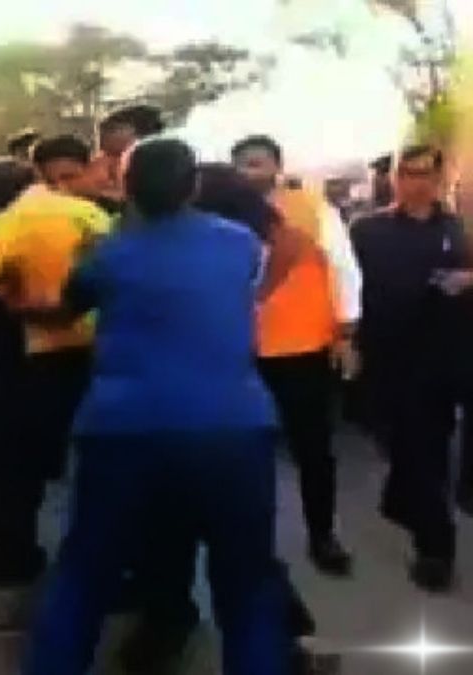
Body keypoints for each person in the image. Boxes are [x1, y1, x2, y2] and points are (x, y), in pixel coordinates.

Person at [24, 139, 287, 675]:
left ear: (126, 188)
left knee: (86, 569)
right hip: (232, 427)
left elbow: (66, 309)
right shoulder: (239, 243)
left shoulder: (108, 252)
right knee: (247, 578)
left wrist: (17, 302)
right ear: (193, 186)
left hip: (124, 428)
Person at [0, 136, 112, 627]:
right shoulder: (106, 219)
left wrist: (3, 299)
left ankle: (20, 565)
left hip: (45, 364)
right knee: (62, 470)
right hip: (81, 364)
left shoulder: (15, 223)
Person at [232, 135, 362, 576]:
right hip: (242, 350)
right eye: (243, 165)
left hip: (304, 347)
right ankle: (252, 543)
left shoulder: (310, 208)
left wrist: (345, 332)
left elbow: (343, 268)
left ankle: (322, 535)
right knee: (248, 451)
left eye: (258, 163)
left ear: (277, 166)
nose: (251, 172)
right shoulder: (221, 215)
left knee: (314, 449)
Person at [351, 145, 472, 592]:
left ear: (439, 180)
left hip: (443, 359)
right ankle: (406, 509)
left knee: (428, 453)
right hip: (387, 358)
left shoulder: (458, 230)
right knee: (403, 447)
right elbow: (350, 290)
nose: (415, 183)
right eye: (407, 173)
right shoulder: (368, 230)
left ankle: (435, 550)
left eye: (424, 174)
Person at [88, 104, 166, 213]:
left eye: (111, 129)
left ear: (134, 132)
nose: (101, 136)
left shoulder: (140, 159)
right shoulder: (104, 159)